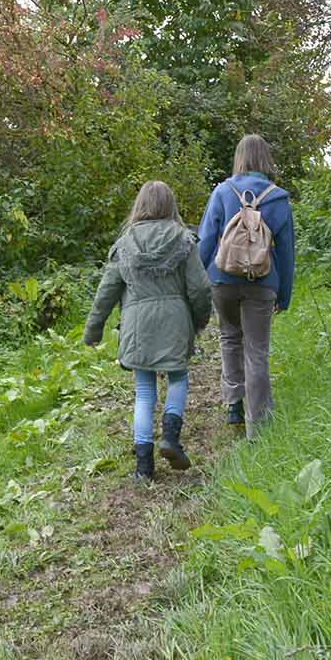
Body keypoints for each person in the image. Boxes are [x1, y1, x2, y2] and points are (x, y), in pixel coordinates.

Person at [83, 181, 213, 480]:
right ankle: (170, 436)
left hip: (137, 326)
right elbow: (200, 288)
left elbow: (106, 292)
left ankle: (144, 467)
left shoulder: (125, 244)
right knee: (178, 378)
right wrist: (199, 320)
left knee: (144, 392)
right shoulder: (183, 240)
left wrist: (94, 330)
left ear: (139, 205)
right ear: (171, 205)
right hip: (175, 320)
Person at [196, 134, 295, 437]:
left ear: (239, 157)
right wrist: (284, 294)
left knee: (229, 337)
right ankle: (258, 425)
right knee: (257, 351)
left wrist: (199, 281)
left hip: (222, 279)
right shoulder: (278, 199)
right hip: (262, 282)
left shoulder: (223, 192)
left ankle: (234, 404)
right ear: (266, 159)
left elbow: (206, 240)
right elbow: (286, 252)